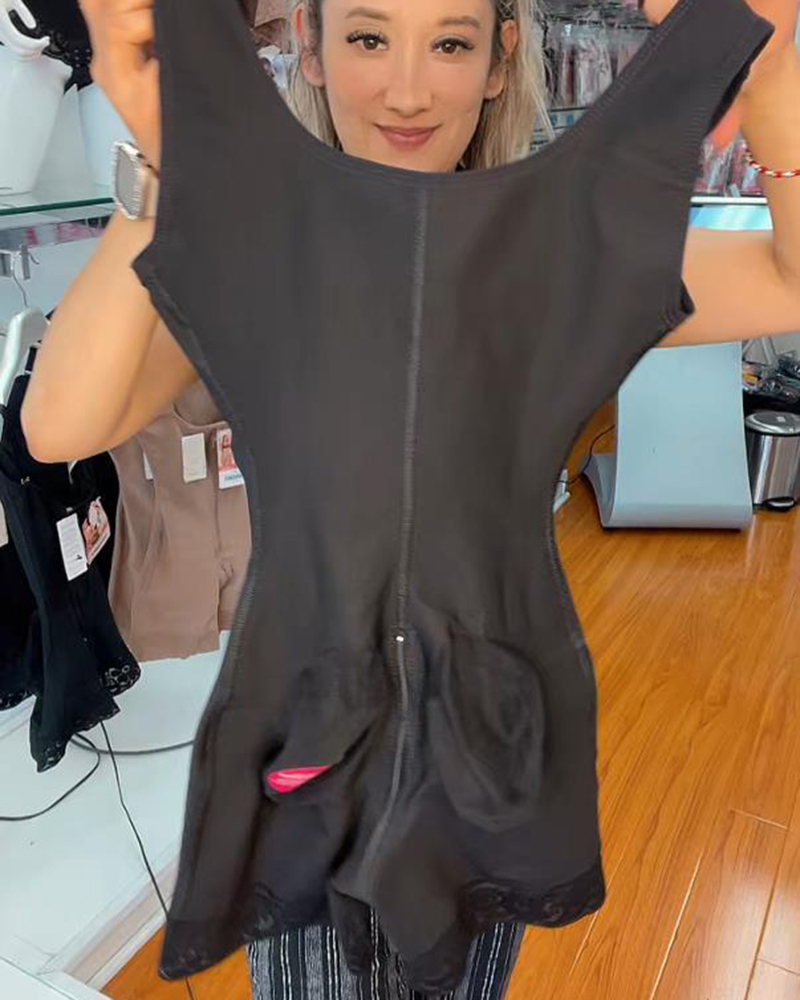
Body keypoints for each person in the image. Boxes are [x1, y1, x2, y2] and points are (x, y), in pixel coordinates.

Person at [20, 0, 800, 996]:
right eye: (367, 37)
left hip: (488, 742)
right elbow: (59, 427)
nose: (405, 88)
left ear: (497, 60)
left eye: (449, 43)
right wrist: (167, 173)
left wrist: (772, 78)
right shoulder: (257, 248)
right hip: (309, 748)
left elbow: (788, 283)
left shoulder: (562, 253)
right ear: (310, 49)